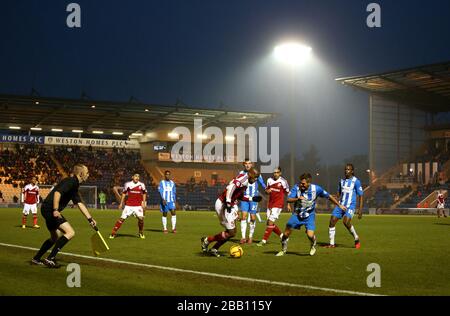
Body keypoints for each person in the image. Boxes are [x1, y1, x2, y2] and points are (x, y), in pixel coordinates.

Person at [31, 164, 97, 267]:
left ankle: (36, 258)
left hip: (47, 209)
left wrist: (90, 219)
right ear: (81, 173)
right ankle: (50, 258)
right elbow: (57, 193)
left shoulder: (74, 185)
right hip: (50, 209)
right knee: (70, 232)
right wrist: (56, 209)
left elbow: (79, 203)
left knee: (55, 237)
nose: (88, 174)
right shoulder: (71, 181)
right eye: (87, 172)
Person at [276, 173, 345, 256]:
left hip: (309, 216)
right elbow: (288, 199)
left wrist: (339, 205)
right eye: (301, 183)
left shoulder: (316, 189)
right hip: (297, 215)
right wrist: (297, 198)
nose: (301, 185)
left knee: (310, 235)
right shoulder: (296, 187)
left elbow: (329, 196)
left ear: (309, 183)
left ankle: (313, 244)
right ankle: (283, 250)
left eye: (303, 183)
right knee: (286, 234)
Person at [201, 168, 261, 257]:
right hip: (223, 204)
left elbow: (238, 195)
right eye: (255, 177)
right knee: (231, 232)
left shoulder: (246, 181)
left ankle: (214, 248)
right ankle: (207, 240)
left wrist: (252, 198)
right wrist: (228, 202)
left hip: (230, 205)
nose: (256, 179)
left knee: (231, 232)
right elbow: (231, 188)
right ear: (251, 174)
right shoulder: (243, 180)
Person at [325, 164, 364, 249]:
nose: (346, 171)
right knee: (332, 221)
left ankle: (356, 238)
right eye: (345, 169)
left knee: (346, 222)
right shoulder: (341, 181)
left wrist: (360, 210)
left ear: (352, 171)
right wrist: (331, 197)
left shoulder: (356, 181)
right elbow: (338, 194)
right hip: (341, 205)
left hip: (350, 206)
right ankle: (332, 244)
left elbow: (361, 195)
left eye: (348, 169)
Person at [257, 167, 289, 246]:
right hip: (270, 204)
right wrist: (267, 191)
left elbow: (288, 193)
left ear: (280, 173)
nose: (275, 174)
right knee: (269, 223)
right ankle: (283, 237)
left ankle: (264, 241)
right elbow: (267, 190)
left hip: (278, 204)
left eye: (277, 172)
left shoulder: (283, 182)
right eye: (274, 172)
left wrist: (288, 204)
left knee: (270, 222)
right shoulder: (269, 180)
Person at [109, 173, 147, 239]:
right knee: (122, 219)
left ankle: (140, 232)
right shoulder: (128, 184)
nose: (137, 177)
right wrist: (121, 203)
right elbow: (123, 194)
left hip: (138, 206)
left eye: (138, 176)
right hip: (129, 205)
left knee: (141, 219)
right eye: (135, 176)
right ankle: (113, 233)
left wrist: (143, 202)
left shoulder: (142, 185)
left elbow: (144, 193)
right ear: (132, 177)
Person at [238, 159, 266, 243]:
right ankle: (243, 237)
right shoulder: (241, 173)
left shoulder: (256, 173)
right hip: (244, 198)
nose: (247, 165)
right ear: (244, 164)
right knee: (243, 217)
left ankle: (250, 237)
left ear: (251, 164)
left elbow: (262, 183)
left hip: (254, 198)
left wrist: (266, 189)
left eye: (249, 163)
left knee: (253, 218)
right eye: (246, 163)